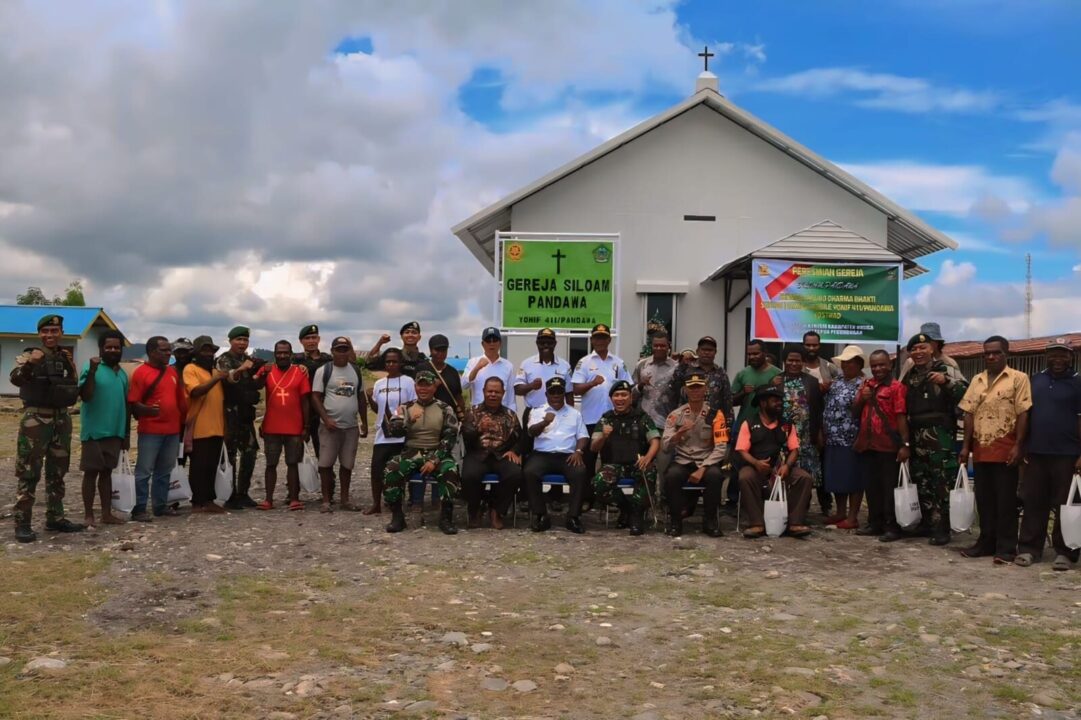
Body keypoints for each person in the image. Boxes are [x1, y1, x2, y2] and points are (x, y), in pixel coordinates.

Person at [10, 314, 84, 542]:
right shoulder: (29, 354)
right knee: (29, 472)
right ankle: (22, 523)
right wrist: (32, 362)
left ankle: (55, 517)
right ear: (39, 334)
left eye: (54, 331)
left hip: (61, 419)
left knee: (58, 471)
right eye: (46, 331)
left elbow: (72, 383)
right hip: (36, 420)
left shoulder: (66, 357)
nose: (50, 335)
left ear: (61, 332)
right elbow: (16, 380)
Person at [958, 336, 1031, 564]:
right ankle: (985, 542)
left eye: (996, 352)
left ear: (1006, 353)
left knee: (1006, 501)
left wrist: (1019, 445)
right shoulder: (977, 380)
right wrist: (966, 446)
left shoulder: (1019, 379)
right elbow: (968, 413)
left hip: (1006, 448)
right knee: (985, 499)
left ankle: (1006, 548)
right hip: (981, 449)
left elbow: (1023, 413)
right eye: (987, 353)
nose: (991, 356)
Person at [1018, 338, 1081, 571]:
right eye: (1054, 354)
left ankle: (1066, 552)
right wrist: (1022, 446)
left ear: (1070, 356)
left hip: (1067, 454)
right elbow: (1026, 416)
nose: (1058, 359)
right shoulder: (1035, 380)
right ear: (1047, 356)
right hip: (1036, 452)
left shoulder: (1078, 383)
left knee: (1066, 504)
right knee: (1034, 501)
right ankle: (1029, 548)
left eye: (1063, 354)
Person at [902, 332, 968, 545]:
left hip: (940, 435)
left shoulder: (945, 369)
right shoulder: (910, 374)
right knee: (921, 479)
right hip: (917, 433)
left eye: (923, 348)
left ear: (932, 349)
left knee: (942, 480)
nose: (919, 352)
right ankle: (926, 522)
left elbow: (966, 395)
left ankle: (943, 527)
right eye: (915, 349)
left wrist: (946, 382)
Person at [383, 370, 462, 534]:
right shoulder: (405, 407)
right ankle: (398, 517)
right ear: (415, 387)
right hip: (411, 451)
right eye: (420, 385)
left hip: (436, 450)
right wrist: (407, 421)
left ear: (434, 387)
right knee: (392, 469)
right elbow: (393, 432)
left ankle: (446, 518)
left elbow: (450, 437)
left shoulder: (445, 408)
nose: (424, 389)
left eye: (428, 385)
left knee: (450, 471)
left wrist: (434, 459)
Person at [736, 387, 813, 539]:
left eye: (780, 400)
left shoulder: (787, 425)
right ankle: (756, 523)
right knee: (745, 477)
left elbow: (794, 450)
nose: (779, 403)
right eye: (775, 401)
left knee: (804, 478)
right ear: (763, 403)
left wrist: (787, 466)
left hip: (781, 468)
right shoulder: (749, 423)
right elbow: (741, 450)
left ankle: (794, 523)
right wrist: (756, 463)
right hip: (756, 467)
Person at [662, 371, 728, 537]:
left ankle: (710, 521)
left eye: (699, 387)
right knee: (672, 476)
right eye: (692, 388)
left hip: (706, 459)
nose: (695, 391)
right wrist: (678, 434)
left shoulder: (715, 415)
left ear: (705, 389)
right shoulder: (675, 415)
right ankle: (676, 521)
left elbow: (721, 447)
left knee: (715, 476)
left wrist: (703, 468)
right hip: (683, 460)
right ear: (685, 390)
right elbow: (665, 446)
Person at [853, 350, 910, 541]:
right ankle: (874, 523)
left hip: (889, 446)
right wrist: (863, 397)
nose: (878, 369)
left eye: (881, 365)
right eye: (874, 365)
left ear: (890, 365)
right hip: (868, 445)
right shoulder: (866, 385)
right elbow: (854, 411)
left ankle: (892, 527)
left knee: (889, 489)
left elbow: (901, 417)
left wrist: (904, 444)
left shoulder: (897, 387)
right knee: (872, 487)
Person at [591, 380, 661, 536]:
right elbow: (593, 447)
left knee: (649, 472)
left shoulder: (642, 417)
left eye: (624, 395)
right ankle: (627, 507)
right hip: (614, 465)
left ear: (630, 398)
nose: (620, 398)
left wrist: (648, 457)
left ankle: (636, 516)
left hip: (638, 463)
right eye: (616, 395)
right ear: (611, 399)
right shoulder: (605, 419)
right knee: (598, 483)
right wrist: (603, 436)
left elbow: (655, 441)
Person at [515, 327, 574, 511]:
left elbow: (569, 392)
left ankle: (555, 497)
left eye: (549, 342)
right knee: (528, 454)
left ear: (555, 344)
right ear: (537, 343)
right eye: (542, 342)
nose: (545, 345)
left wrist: (570, 414)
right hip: (533, 413)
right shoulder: (527, 364)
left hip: (559, 415)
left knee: (556, 452)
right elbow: (517, 389)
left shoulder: (564, 365)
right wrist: (531, 386)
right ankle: (526, 496)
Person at [129, 336, 187, 520]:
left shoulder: (172, 372)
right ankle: (139, 509)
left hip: (172, 430)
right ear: (152, 352)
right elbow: (133, 402)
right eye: (164, 350)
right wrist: (147, 410)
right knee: (144, 471)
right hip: (150, 430)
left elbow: (180, 400)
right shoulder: (141, 373)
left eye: (169, 350)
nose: (168, 353)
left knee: (164, 470)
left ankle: (160, 506)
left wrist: (183, 423)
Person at [523, 377, 590, 533]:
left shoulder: (575, 414)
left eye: (559, 392)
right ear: (546, 394)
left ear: (564, 394)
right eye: (552, 392)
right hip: (542, 455)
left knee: (580, 472)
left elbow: (583, 436)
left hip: (567, 455)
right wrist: (544, 423)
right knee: (529, 472)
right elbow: (531, 432)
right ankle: (540, 515)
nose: (556, 395)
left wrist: (579, 451)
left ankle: (573, 517)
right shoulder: (537, 411)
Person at [311, 336, 369, 513]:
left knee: (347, 465)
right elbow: (315, 396)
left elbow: (360, 398)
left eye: (345, 349)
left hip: (350, 427)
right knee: (325, 464)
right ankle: (327, 500)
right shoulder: (324, 370)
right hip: (330, 426)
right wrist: (326, 418)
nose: (342, 353)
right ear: (332, 351)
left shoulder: (356, 371)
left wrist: (364, 422)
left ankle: (345, 499)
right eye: (339, 349)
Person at [77, 330, 129, 527]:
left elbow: (125, 404)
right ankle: (88, 514)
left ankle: (106, 513)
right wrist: (91, 371)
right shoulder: (91, 368)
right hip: (94, 432)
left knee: (107, 473)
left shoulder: (122, 374)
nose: (113, 350)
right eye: (109, 347)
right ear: (101, 349)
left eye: (117, 347)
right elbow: (86, 395)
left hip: (115, 432)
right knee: (91, 472)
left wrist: (125, 433)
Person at [461, 377, 523, 529]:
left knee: (515, 474)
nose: (493, 394)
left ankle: (497, 511)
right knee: (469, 475)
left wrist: (514, 451)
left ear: (503, 393)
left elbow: (521, 438)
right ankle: (474, 510)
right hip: (478, 454)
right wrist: (478, 429)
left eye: (497, 392)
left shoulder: (510, 414)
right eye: (490, 391)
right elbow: (465, 436)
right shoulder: (472, 412)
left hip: (501, 455)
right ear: (483, 392)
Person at [572, 323, 631, 481]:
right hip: (591, 419)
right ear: (592, 340)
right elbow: (576, 389)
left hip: (614, 419)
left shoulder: (618, 362)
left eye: (603, 338)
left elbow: (628, 388)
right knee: (588, 461)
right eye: (597, 338)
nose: (600, 341)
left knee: (611, 461)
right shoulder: (584, 362)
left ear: (609, 340)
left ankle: (608, 500)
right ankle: (587, 499)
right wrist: (591, 383)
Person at [256, 340, 311, 511]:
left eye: (285, 352)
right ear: (274, 353)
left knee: (292, 463)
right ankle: (268, 499)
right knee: (270, 464)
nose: (282, 355)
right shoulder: (268, 370)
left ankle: (294, 498)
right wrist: (262, 373)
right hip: (272, 426)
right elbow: (255, 385)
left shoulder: (299, 372)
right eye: (279, 352)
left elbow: (305, 401)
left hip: (294, 427)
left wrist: (306, 426)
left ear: (291, 353)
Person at [215, 326, 265, 509]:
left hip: (244, 413)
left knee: (250, 452)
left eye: (245, 340)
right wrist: (242, 368)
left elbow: (253, 384)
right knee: (229, 455)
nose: (242, 343)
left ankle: (243, 493)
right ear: (230, 341)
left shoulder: (249, 360)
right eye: (239, 340)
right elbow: (227, 378)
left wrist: (260, 377)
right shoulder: (223, 360)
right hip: (229, 413)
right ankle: (229, 494)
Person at [729, 339, 782, 509]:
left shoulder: (777, 374)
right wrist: (742, 394)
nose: (752, 356)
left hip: (769, 427)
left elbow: (781, 400)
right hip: (743, 424)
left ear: (764, 353)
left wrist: (771, 386)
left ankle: (764, 499)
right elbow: (731, 401)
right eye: (749, 354)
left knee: (767, 464)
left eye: (756, 353)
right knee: (737, 464)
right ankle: (733, 500)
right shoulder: (742, 374)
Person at [366, 347, 416, 515]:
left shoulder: (408, 381)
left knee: (398, 471)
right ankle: (376, 504)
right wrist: (368, 397)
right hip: (382, 435)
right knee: (376, 470)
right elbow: (377, 409)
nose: (391, 364)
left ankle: (395, 502)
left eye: (395, 361)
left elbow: (414, 405)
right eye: (388, 361)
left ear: (400, 363)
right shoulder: (379, 383)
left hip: (401, 435)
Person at [183, 336, 228, 514]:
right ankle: (198, 501)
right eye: (204, 350)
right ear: (196, 353)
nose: (209, 354)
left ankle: (208, 500)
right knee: (199, 466)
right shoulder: (191, 369)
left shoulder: (213, 371)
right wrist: (216, 379)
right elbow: (195, 391)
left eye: (211, 351)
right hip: (200, 427)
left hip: (217, 426)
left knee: (211, 466)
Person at [821, 346, 865, 529]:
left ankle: (853, 516)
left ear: (859, 365)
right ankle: (840, 512)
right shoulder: (836, 381)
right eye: (844, 363)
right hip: (833, 437)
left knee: (853, 478)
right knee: (837, 476)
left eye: (851, 363)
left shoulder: (864, 384)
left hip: (851, 438)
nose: (847, 366)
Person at [778, 346, 824, 510]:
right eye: (790, 360)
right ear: (784, 361)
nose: (794, 363)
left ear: (803, 362)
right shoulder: (777, 380)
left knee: (805, 474)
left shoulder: (811, 382)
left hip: (805, 436)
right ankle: (782, 507)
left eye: (798, 360)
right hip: (782, 436)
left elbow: (818, 409)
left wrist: (819, 433)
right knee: (784, 472)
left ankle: (801, 510)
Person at [631, 332, 676, 496]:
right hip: (643, 422)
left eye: (662, 345)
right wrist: (640, 386)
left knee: (664, 465)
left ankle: (663, 501)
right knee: (642, 464)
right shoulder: (642, 365)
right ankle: (643, 501)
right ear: (652, 346)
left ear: (668, 346)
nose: (659, 348)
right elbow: (631, 394)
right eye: (656, 345)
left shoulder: (675, 367)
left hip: (666, 424)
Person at [665, 335, 734, 424]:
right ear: (697, 351)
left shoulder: (721, 373)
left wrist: (729, 424)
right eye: (703, 349)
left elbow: (727, 400)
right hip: (687, 422)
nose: (706, 353)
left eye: (710, 350)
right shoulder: (686, 369)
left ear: (715, 352)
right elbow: (673, 393)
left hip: (714, 423)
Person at [293, 324, 332, 456]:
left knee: (323, 450)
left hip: (322, 408)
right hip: (301, 409)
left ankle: (326, 475)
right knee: (298, 451)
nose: (311, 341)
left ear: (319, 339)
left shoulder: (328, 359)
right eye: (307, 338)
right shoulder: (295, 359)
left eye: (314, 337)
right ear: (301, 341)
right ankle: (299, 477)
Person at [464, 327, 515, 410]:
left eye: (495, 340)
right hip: (479, 413)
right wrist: (477, 368)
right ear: (482, 344)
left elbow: (511, 397)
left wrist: (512, 414)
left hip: (501, 415)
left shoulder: (508, 365)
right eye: (488, 341)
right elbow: (464, 385)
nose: (492, 344)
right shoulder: (473, 362)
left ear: (500, 343)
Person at [899, 322, 964, 382]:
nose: (918, 351)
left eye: (928, 342)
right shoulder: (911, 362)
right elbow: (900, 385)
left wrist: (945, 380)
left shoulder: (949, 363)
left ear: (936, 343)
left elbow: (962, 387)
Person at [417, 334, 464, 416]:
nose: (440, 353)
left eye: (444, 350)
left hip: (449, 416)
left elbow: (458, 396)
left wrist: (463, 413)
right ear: (431, 350)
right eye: (437, 350)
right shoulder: (421, 368)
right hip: (427, 415)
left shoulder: (453, 371)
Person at [171, 338, 195, 470]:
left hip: (196, 423)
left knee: (197, 462)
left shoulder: (197, 371)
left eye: (185, 352)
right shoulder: (169, 371)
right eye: (178, 352)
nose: (182, 355)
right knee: (178, 462)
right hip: (176, 425)